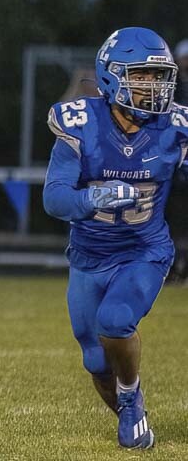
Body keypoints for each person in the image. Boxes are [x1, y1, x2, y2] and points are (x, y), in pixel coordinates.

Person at [43, 27, 185, 450]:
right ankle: (130, 401)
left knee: (115, 319)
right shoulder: (81, 122)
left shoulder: (175, 127)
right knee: (93, 357)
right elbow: (55, 198)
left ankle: (130, 400)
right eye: (142, 75)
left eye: (159, 77)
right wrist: (98, 195)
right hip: (88, 255)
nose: (154, 86)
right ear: (112, 75)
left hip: (145, 251)